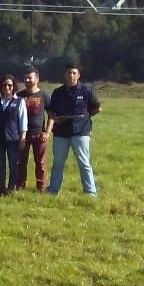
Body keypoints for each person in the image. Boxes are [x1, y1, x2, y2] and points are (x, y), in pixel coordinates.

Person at [46, 63, 102, 196]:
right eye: (68, 73)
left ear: (78, 75)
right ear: (64, 75)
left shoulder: (86, 90)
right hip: (61, 133)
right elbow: (50, 111)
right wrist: (55, 118)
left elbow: (97, 108)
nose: (71, 75)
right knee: (58, 163)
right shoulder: (58, 92)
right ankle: (53, 190)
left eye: (74, 73)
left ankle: (90, 192)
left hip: (80, 132)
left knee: (84, 163)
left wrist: (85, 118)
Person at [0, 74, 27, 195]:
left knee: (13, 164)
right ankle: (0, 189)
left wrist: (23, 138)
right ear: (1, 87)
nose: (7, 87)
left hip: (13, 139)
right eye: (4, 85)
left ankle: (10, 189)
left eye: (9, 85)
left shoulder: (19, 101)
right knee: (0, 165)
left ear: (13, 86)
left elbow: (23, 121)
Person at [16, 68, 53, 191]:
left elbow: (51, 116)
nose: (27, 80)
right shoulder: (19, 96)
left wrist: (47, 132)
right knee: (21, 163)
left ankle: (41, 187)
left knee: (40, 164)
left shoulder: (44, 96)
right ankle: (20, 186)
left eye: (30, 77)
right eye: (25, 77)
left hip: (39, 134)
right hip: (22, 135)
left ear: (37, 79)